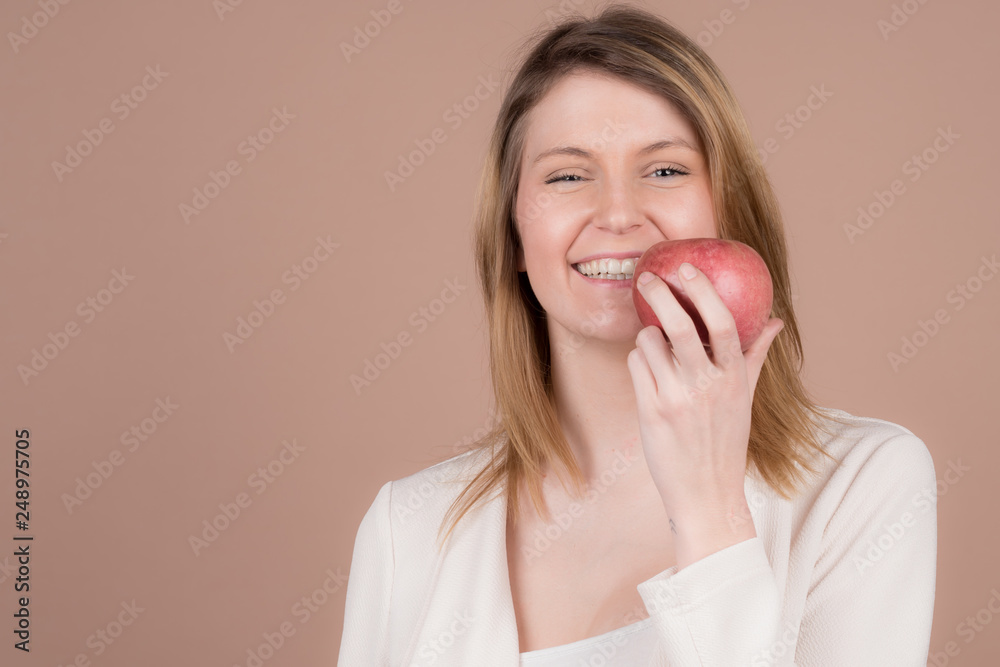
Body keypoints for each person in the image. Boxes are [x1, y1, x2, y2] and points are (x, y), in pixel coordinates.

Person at [337, 5, 937, 665]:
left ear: (726, 211)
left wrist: (712, 515)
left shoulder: (862, 484)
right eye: (568, 175)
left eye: (665, 170)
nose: (618, 214)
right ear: (512, 232)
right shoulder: (410, 526)